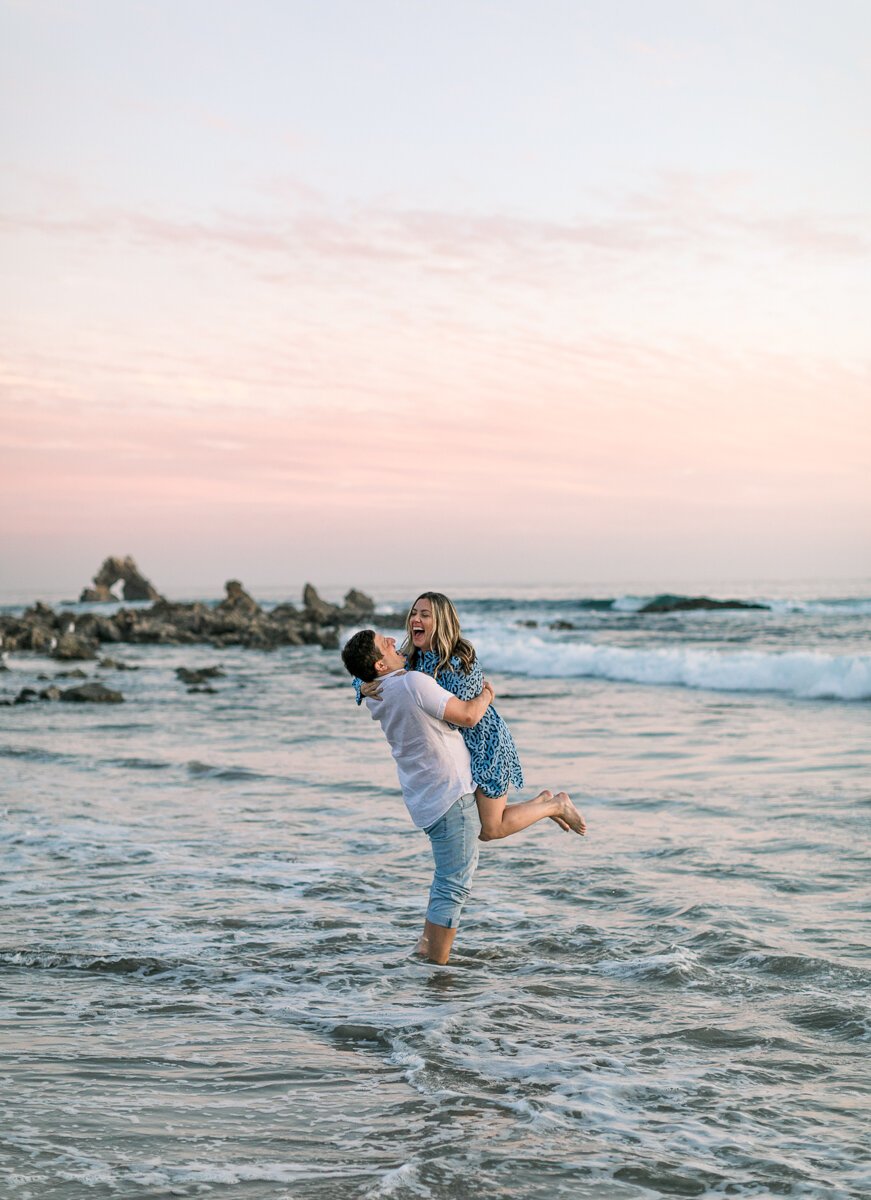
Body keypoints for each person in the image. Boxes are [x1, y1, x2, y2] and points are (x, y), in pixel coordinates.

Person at [342, 627, 585, 965]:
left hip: (425, 796)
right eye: (383, 643)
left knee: (469, 851)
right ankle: (436, 967)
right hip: (449, 794)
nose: (391, 640)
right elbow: (470, 715)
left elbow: (362, 677)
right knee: (453, 883)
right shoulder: (411, 682)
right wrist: (487, 694)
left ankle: (427, 946)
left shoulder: (375, 691)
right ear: (380, 665)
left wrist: (368, 678)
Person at [358, 591, 587, 843]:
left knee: (491, 829)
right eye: (413, 613)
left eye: (425, 615)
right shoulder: (409, 657)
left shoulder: (460, 658)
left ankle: (554, 805)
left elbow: (468, 715)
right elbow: (370, 666)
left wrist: (486, 696)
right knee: (482, 824)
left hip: (485, 745)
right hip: (455, 750)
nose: (415, 619)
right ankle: (544, 802)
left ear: (442, 622)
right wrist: (360, 685)